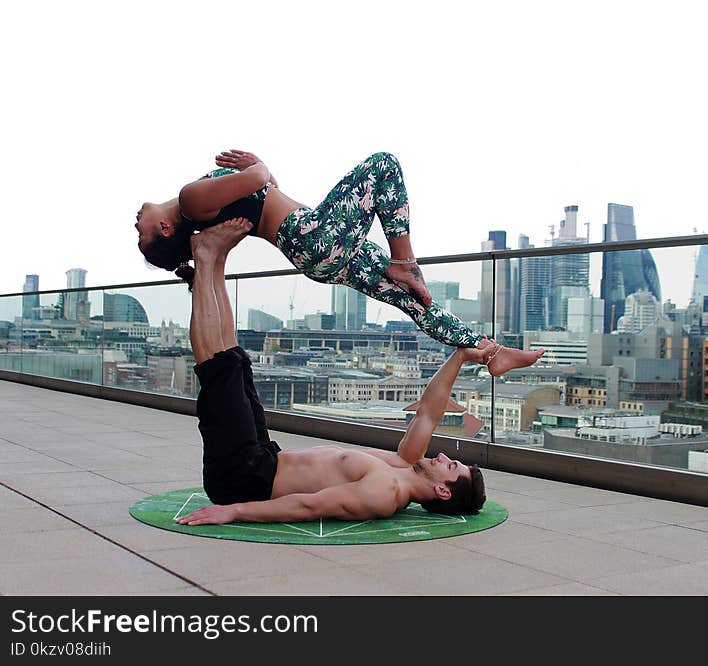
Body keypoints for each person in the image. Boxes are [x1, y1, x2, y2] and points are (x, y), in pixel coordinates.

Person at [175, 220, 488, 526]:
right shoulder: (403, 464)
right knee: (236, 361)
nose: (444, 456)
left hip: (244, 479)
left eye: (451, 466)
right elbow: (428, 412)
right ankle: (215, 260)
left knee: (219, 369)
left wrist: (234, 512)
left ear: (443, 491)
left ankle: (204, 257)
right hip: (265, 457)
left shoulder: (384, 493)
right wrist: (459, 356)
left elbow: (309, 506)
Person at [135, 149, 544, 376]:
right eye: (142, 233)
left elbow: (267, 189)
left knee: (413, 300)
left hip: (314, 250)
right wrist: (256, 166)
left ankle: (492, 353)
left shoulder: (199, 209)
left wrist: (261, 174)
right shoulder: (189, 199)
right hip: (311, 236)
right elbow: (260, 180)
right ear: (166, 230)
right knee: (384, 165)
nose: (136, 225)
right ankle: (405, 260)